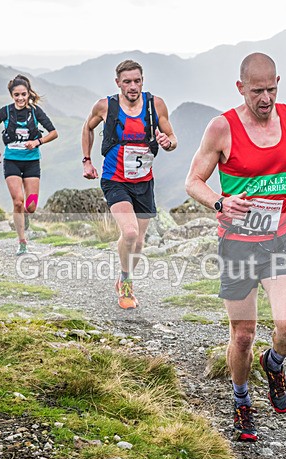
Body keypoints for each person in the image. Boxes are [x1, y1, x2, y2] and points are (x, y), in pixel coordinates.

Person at [185, 53, 286, 442]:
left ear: (279, 82)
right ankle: (241, 399)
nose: (265, 98)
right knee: (243, 335)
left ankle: (273, 363)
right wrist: (221, 203)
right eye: (257, 91)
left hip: (279, 239)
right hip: (238, 245)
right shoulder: (221, 128)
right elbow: (193, 181)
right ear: (240, 87)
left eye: (271, 89)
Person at [82, 59, 177, 310]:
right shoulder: (106, 106)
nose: (133, 86)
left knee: (139, 242)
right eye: (127, 82)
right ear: (118, 83)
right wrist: (87, 161)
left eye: (137, 81)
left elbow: (172, 138)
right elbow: (87, 127)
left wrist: (168, 142)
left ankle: (126, 277)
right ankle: (126, 284)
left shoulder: (154, 104)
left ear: (143, 80)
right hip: (115, 180)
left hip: (144, 182)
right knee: (130, 232)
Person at [0, 75, 58, 256]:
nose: (20, 98)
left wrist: (37, 142)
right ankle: (22, 241)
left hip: (32, 162)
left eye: (23, 94)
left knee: (30, 206)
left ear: (28, 93)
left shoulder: (35, 112)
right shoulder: (5, 112)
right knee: (18, 201)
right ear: (11, 95)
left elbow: (54, 133)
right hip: (12, 162)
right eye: (16, 95)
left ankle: (22, 218)